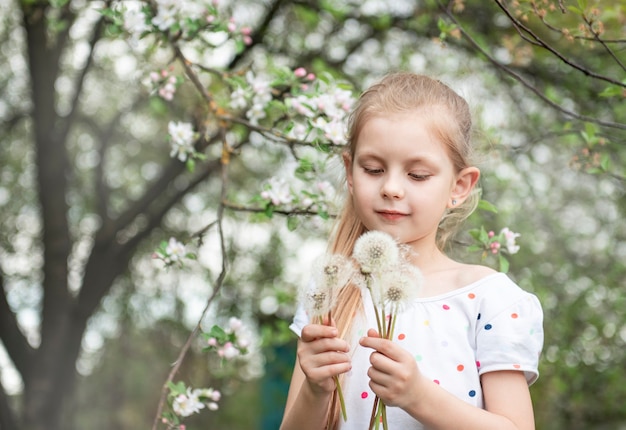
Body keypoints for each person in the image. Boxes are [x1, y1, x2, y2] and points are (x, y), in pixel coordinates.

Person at [280, 72, 544, 430]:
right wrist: (316, 390)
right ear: (351, 172)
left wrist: (420, 397)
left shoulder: (490, 300)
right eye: (373, 169)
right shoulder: (329, 294)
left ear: (460, 185)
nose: (391, 188)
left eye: (417, 175)